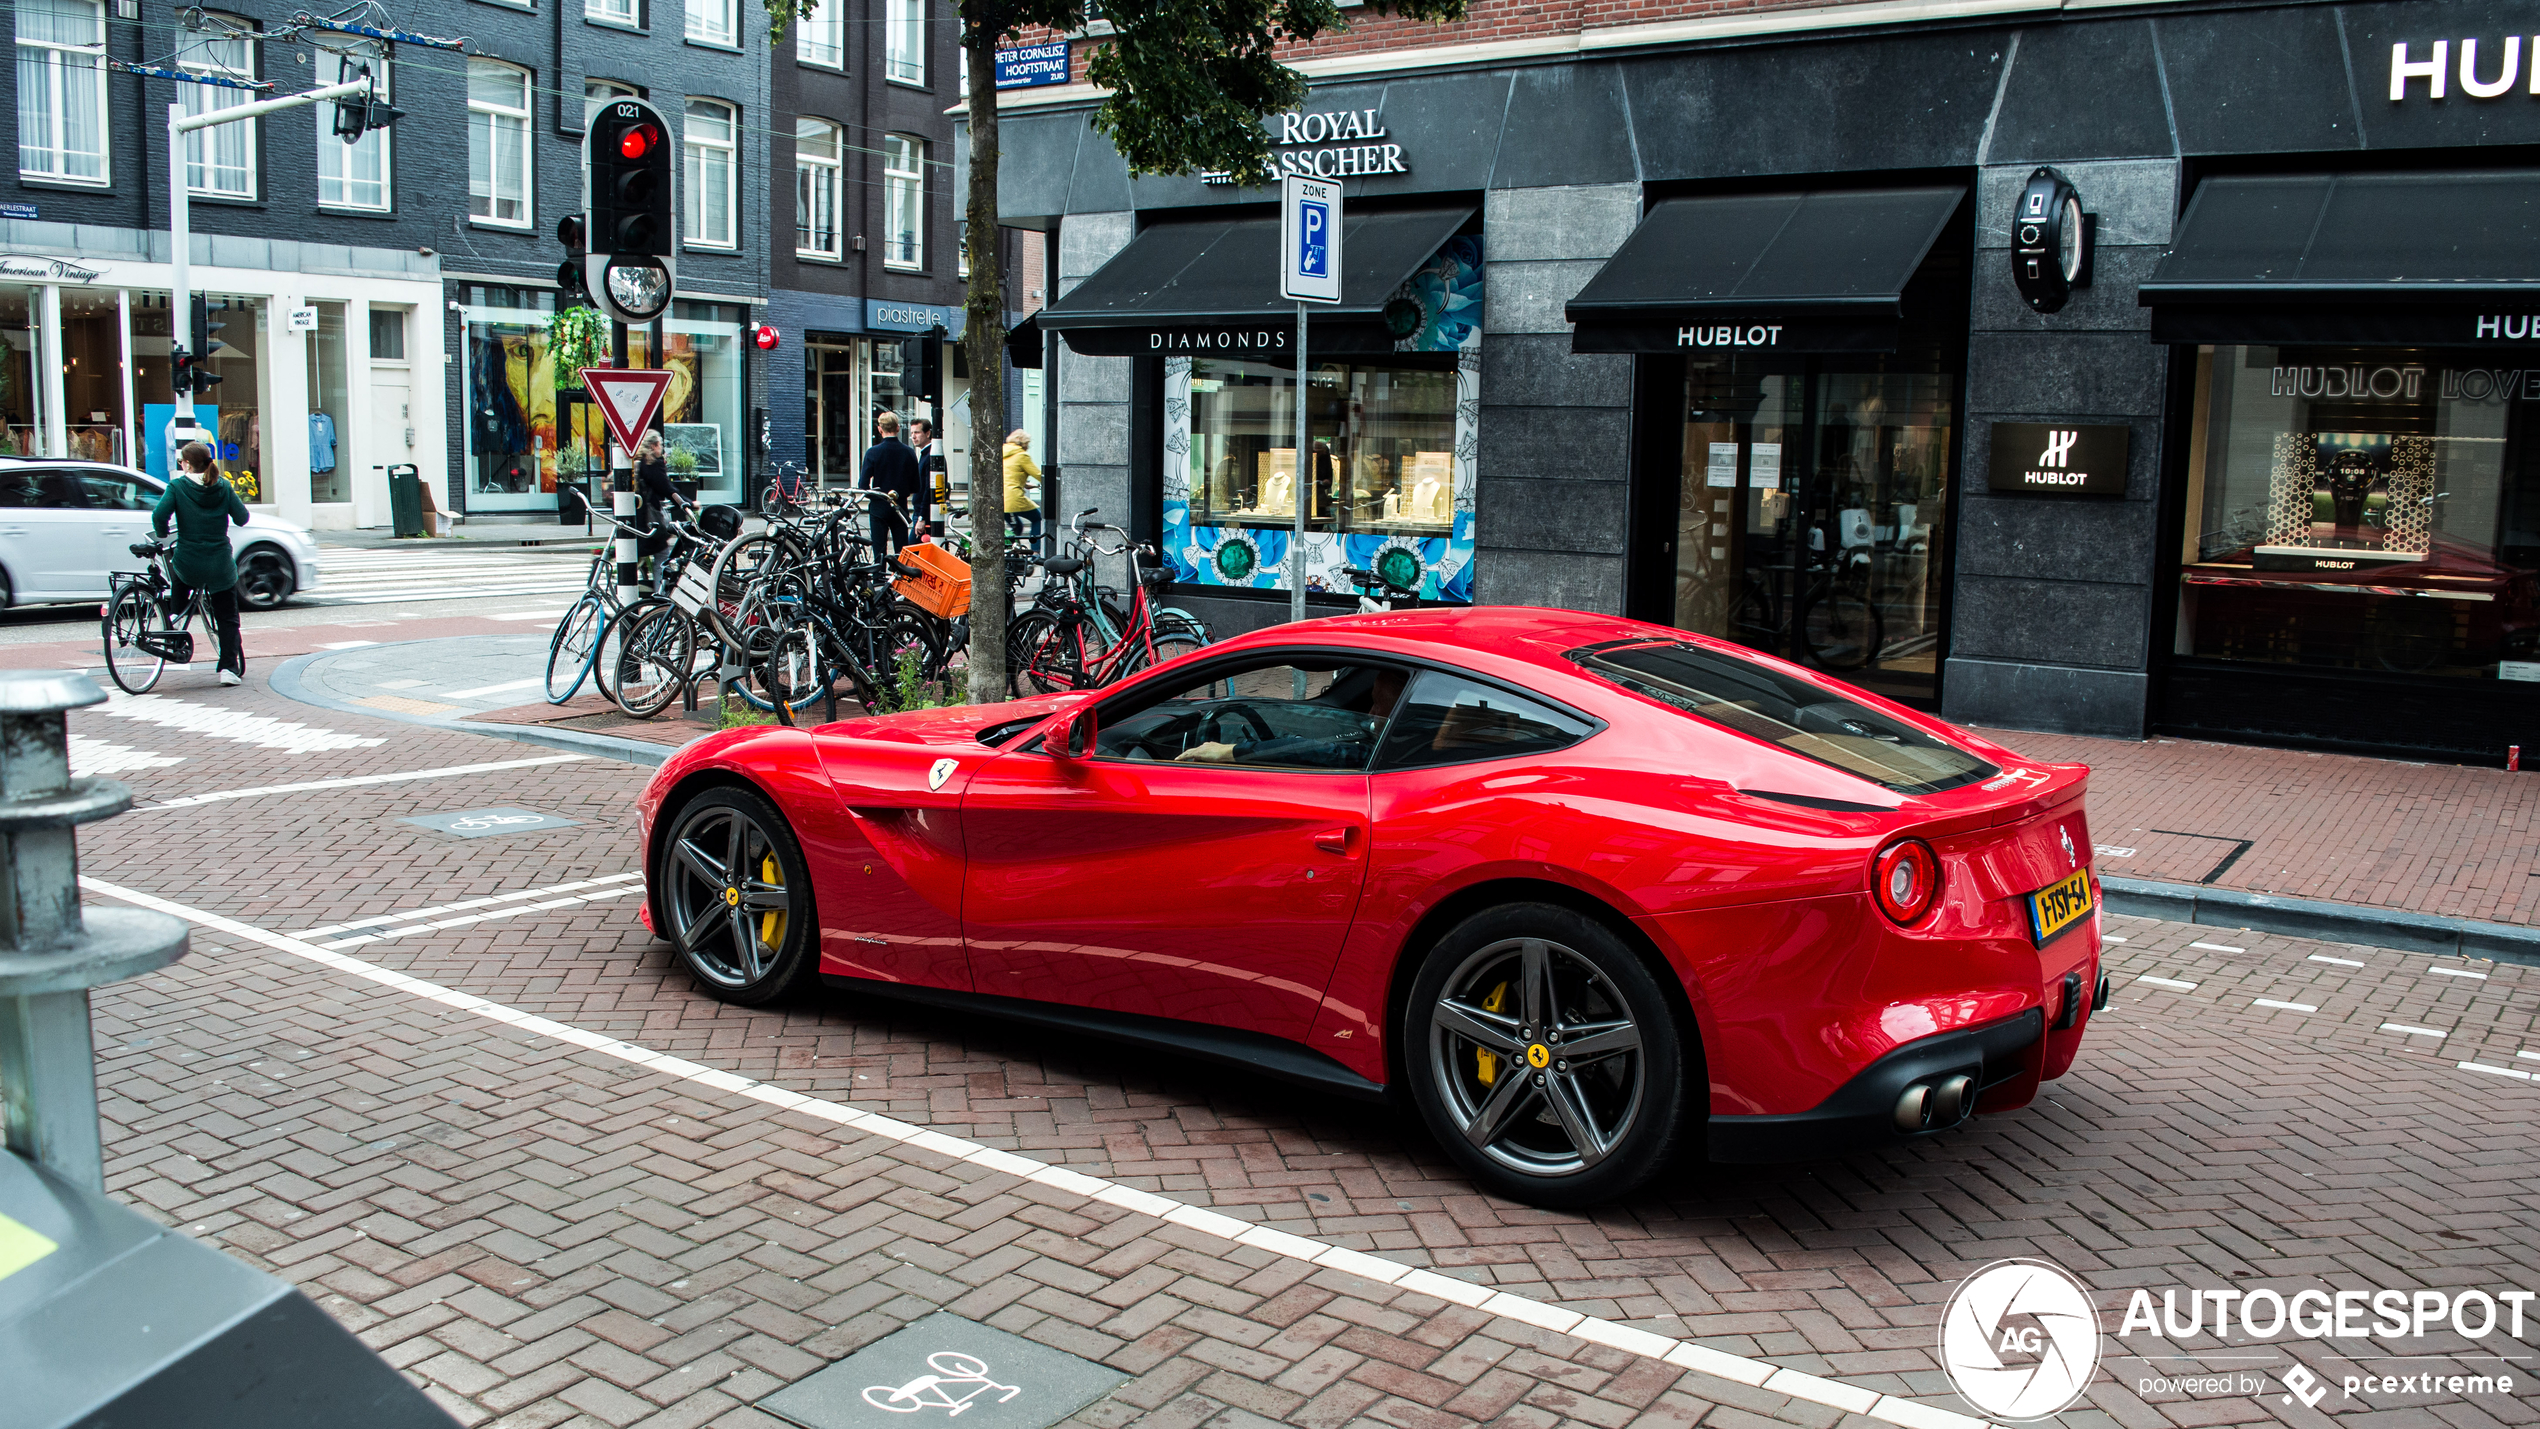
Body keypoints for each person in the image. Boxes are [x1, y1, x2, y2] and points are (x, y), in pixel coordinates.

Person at [152, 441, 251, 686]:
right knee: (227, 617)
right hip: (219, 563)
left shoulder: (177, 486)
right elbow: (242, 518)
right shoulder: (224, 487)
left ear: (186, 464)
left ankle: (174, 635)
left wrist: (163, 531)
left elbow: (158, 515)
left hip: (189, 561)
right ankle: (228, 668)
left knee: (178, 592)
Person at [1176, 667, 1407, 767]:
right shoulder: (1411, 743)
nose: (1371, 714)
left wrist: (1228, 752)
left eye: (1377, 705)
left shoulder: (1394, 753)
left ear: (1404, 714)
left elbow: (1321, 753)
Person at [860, 410, 928, 554]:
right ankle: (900, 576)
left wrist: (876, 496)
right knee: (901, 550)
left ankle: (878, 576)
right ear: (897, 428)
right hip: (900, 506)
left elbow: (863, 486)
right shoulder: (909, 452)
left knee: (879, 550)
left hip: (879, 506)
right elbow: (916, 486)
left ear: (880, 429)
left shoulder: (873, 452)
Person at [631, 431, 682, 582]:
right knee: (662, 555)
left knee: (634, 558)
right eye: (660, 444)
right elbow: (667, 489)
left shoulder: (636, 464)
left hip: (634, 523)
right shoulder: (653, 465)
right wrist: (687, 503)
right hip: (649, 524)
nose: (662, 448)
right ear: (653, 446)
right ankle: (660, 597)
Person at [1003, 429, 1042, 547]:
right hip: (1013, 498)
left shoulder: (1003, 452)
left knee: (1017, 527)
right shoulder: (1022, 455)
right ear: (1024, 444)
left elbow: (1009, 476)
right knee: (1038, 519)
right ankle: (1035, 552)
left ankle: (1012, 551)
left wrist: (1025, 484)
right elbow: (1038, 475)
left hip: (1000, 499)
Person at [910, 417, 950, 513]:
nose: (913, 437)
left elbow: (929, 488)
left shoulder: (930, 456)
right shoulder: (926, 455)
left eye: (917, 432)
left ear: (927, 434)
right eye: (912, 433)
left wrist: (922, 516)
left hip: (924, 511)